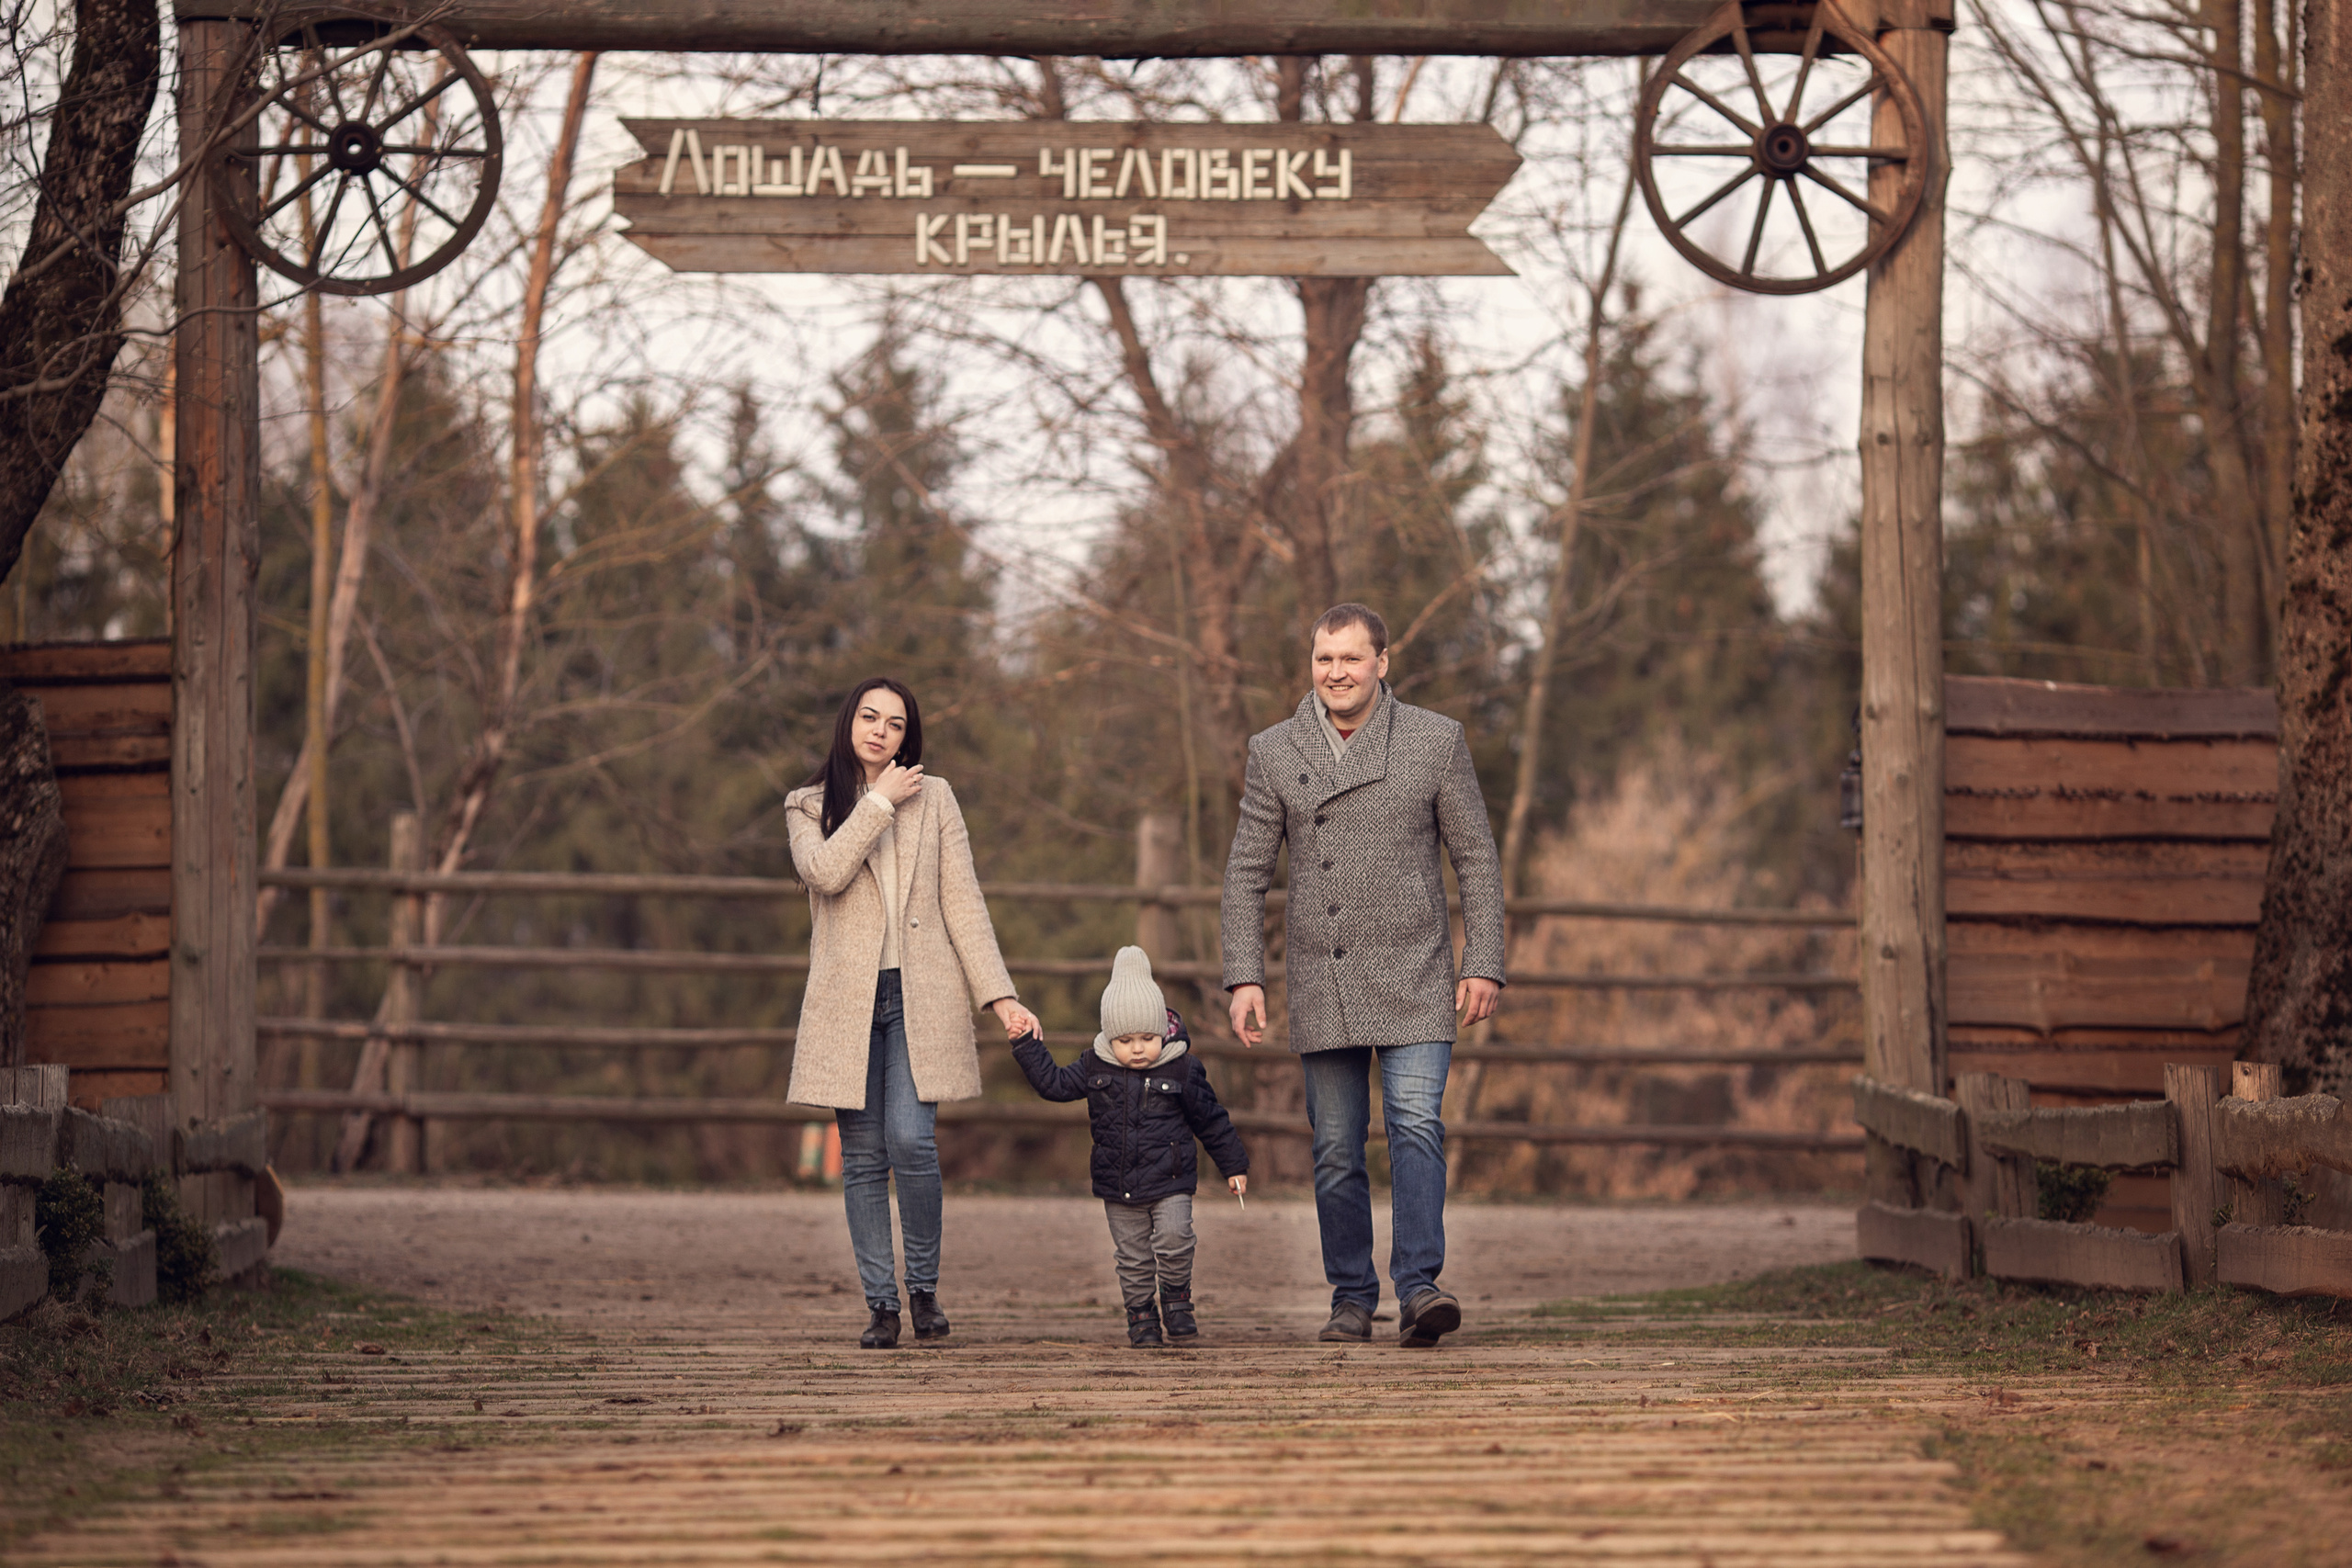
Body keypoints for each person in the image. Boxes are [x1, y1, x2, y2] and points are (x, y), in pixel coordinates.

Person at [1221, 604, 1506, 1348]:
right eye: (1324, 659)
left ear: (1383, 661)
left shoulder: (1435, 741)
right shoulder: (1276, 750)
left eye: (1351, 658)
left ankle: (1419, 1288)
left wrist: (1484, 961)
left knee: (1416, 1126)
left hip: (1416, 969)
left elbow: (1476, 858)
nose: (1336, 673)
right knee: (1337, 1147)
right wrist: (1243, 975)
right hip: (1326, 974)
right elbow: (1246, 873)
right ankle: (1351, 1294)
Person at [786, 677, 1040, 1349]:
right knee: (864, 1158)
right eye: (869, 717)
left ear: (908, 736)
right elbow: (825, 872)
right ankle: (882, 1304)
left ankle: (923, 1286)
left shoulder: (937, 799)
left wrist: (1000, 994)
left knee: (910, 1139)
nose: (880, 731)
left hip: (920, 994)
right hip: (848, 1001)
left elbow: (964, 900)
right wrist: (876, 802)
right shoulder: (807, 804)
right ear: (848, 722)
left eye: (895, 724)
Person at [1011, 946, 1250, 1348]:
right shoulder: (1094, 1066)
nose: (1137, 1048)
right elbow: (1052, 1084)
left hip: (1171, 1180)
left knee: (1176, 1239)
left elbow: (1211, 1121)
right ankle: (1141, 1317)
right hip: (1117, 1182)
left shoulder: (1182, 1068)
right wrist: (1027, 1046)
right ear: (1109, 1036)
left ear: (1163, 1031)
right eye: (1125, 1040)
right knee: (1133, 1257)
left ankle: (1176, 1299)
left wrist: (1234, 1166)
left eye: (1147, 1038)